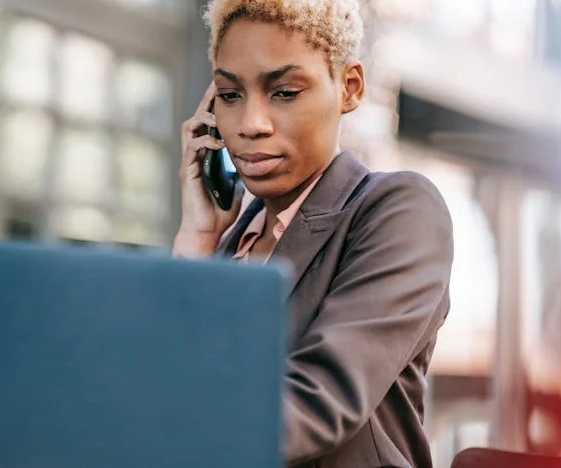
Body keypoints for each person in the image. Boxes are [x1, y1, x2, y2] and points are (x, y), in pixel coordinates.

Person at [172, 0, 454, 467]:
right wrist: (198, 242)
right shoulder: (225, 249)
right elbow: (164, 374)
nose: (250, 126)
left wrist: (145, 423)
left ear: (349, 87)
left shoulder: (399, 210)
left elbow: (318, 403)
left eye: (283, 92)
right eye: (230, 95)